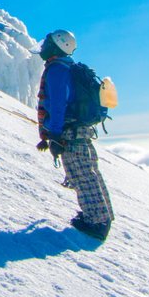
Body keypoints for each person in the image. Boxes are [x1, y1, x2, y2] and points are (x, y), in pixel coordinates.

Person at [37, 29, 115, 240]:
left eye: (47, 43)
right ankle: (102, 215)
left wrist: (53, 134)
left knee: (81, 175)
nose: (43, 46)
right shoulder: (68, 67)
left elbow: (58, 103)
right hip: (78, 129)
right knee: (90, 172)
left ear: (57, 45)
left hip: (68, 131)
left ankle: (97, 223)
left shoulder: (57, 69)